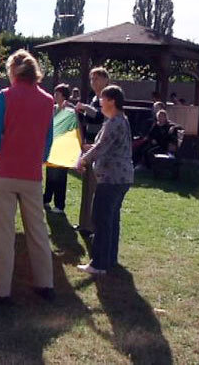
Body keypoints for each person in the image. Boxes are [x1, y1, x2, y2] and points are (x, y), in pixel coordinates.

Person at [0, 49, 55, 305]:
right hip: (32, 175)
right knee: (38, 231)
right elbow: (48, 139)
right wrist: (38, 159)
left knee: (3, 234)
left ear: (13, 71)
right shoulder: (47, 100)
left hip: (5, 173)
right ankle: (45, 284)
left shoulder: (5, 97)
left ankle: (2, 291)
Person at [76, 85, 134, 275]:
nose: (99, 102)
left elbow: (102, 147)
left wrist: (83, 160)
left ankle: (99, 264)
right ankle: (109, 259)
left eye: (102, 98)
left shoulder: (114, 122)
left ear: (112, 101)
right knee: (111, 220)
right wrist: (90, 148)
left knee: (100, 219)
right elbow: (109, 145)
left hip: (111, 179)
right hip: (121, 178)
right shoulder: (120, 120)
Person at [74, 67, 110, 237]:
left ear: (105, 79)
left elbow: (99, 116)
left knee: (94, 188)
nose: (93, 82)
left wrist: (84, 107)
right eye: (91, 79)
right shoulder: (94, 97)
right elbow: (88, 119)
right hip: (88, 146)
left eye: (96, 78)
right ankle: (84, 223)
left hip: (99, 149)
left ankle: (93, 226)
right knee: (86, 187)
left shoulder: (108, 97)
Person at [44, 83, 74, 214]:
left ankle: (59, 205)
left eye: (57, 93)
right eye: (54, 93)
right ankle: (46, 199)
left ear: (64, 96)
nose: (54, 95)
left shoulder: (69, 110)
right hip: (53, 147)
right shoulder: (53, 108)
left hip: (64, 148)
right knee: (50, 174)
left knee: (60, 177)